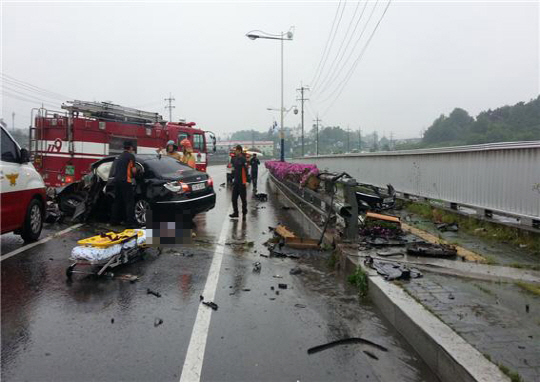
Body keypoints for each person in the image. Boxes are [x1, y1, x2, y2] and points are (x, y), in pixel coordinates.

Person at [111, 141, 138, 227]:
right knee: (129, 202)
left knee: (117, 201)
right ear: (130, 147)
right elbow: (133, 170)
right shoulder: (131, 156)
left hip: (116, 181)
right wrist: (136, 173)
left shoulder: (119, 156)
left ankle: (114, 221)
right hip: (126, 181)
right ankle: (130, 223)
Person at [229, 145, 248, 218]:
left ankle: (244, 212)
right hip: (236, 181)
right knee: (234, 199)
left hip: (242, 182)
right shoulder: (235, 159)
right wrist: (231, 178)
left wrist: (246, 181)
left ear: (239, 150)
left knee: (243, 199)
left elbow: (246, 170)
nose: (235, 151)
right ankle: (235, 213)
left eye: (236, 150)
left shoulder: (243, 159)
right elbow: (233, 169)